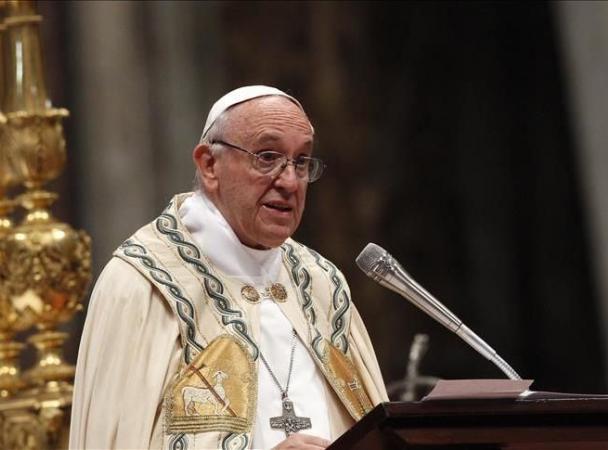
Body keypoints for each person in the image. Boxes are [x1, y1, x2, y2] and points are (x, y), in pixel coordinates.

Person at [69, 85, 388, 450]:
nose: (289, 181)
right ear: (209, 165)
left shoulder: (321, 284)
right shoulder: (143, 284)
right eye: (267, 157)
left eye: (301, 162)